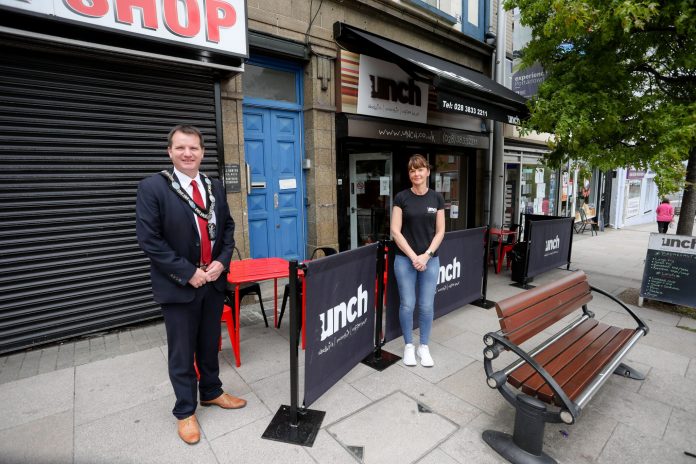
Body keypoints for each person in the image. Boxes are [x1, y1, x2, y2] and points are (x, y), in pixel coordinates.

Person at [136, 125, 246, 445]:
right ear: (169, 151)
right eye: (181, 148)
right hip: (180, 285)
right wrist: (188, 272)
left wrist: (222, 262)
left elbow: (227, 227)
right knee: (182, 352)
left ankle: (211, 392)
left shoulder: (213, 185)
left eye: (194, 148)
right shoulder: (153, 188)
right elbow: (150, 241)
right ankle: (185, 411)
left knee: (209, 343)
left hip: (212, 281)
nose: (188, 154)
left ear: (202, 152)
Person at [390, 155, 445, 367]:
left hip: (429, 260)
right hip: (405, 260)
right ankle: (409, 347)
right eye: (412, 170)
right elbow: (395, 231)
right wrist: (414, 257)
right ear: (409, 174)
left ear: (428, 172)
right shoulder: (401, 197)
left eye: (420, 169)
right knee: (407, 304)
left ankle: (424, 346)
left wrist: (426, 255)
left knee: (426, 305)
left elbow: (440, 232)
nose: (416, 174)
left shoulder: (436, 198)